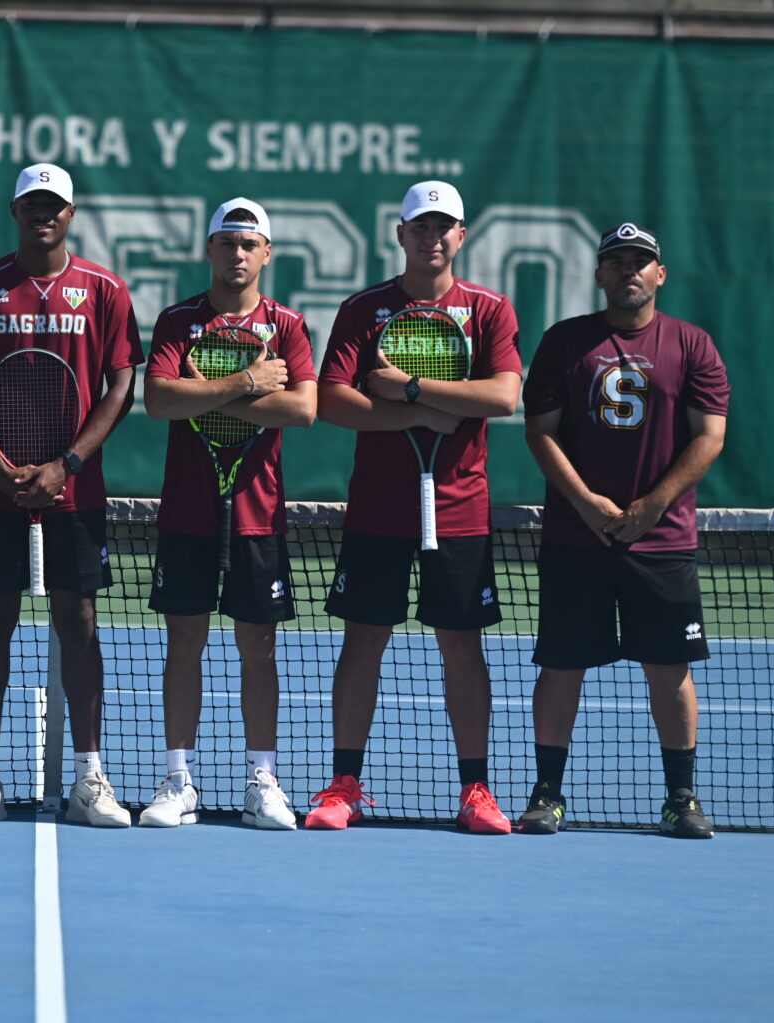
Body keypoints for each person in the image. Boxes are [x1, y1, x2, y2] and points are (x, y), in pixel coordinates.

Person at [308, 181, 522, 833]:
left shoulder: (489, 310)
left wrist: (414, 388)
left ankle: (475, 791)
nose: (431, 237)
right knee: (363, 640)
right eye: (419, 227)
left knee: (462, 645)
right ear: (399, 235)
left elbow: (505, 395)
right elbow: (334, 399)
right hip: (378, 508)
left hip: (460, 508)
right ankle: (342, 785)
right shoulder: (364, 309)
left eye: (443, 227)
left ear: (461, 236)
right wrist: (425, 409)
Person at [0, 163, 143, 827]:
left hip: (76, 493)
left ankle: (89, 777)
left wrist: (71, 461)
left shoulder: (106, 290)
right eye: (32, 204)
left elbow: (120, 387)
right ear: (15, 210)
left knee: (78, 622)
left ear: (71, 214)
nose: (42, 214)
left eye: (53, 205)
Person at [519, 222, 729, 838]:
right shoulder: (565, 343)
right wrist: (585, 502)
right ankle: (548, 794)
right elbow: (541, 432)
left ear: (660, 274)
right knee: (562, 666)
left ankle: (681, 797)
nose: (629, 271)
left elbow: (709, 436)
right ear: (599, 274)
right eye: (617, 262)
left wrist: (652, 505)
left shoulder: (693, 345)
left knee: (669, 668)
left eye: (641, 262)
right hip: (574, 537)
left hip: (661, 543)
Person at [137, 199, 317, 829]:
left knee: (257, 648)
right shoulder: (176, 321)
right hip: (187, 511)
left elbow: (302, 410)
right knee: (183, 642)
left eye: (249, 244)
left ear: (266, 253)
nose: (237, 254)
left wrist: (206, 394)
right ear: (208, 251)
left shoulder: (289, 327)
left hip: (258, 515)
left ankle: (262, 780)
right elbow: (159, 399)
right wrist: (247, 383)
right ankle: (178, 779)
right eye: (226, 243)